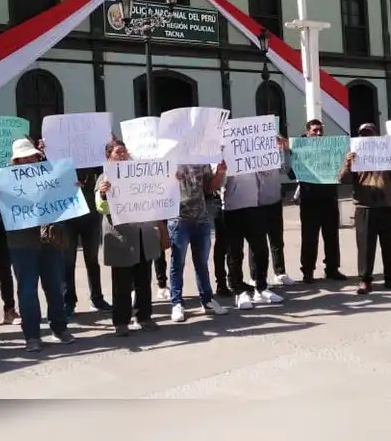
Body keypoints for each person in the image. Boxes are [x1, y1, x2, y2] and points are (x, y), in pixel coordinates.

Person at [0, 138, 76, 352]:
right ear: (16, 161)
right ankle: (32, 335)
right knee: (27, 290)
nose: (30, 160)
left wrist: (72, 190)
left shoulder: (50, 174)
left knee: (55, 286)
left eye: (33, 156)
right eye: (25, 158)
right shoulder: (4, 181)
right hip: (22, 243)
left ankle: (59, 328)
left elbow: (65, 203)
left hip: (50, 240)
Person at [94, 139, 165, 336]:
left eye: (124, 151)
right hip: (121, 239)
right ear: (109, 156)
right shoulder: (104, 177)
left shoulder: (139, 173)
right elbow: (101, 208)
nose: (123, 155)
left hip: (143, 236)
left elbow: (156, 192)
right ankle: (121, 322)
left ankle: (144, 316)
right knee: (122, 284)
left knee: (143, 281)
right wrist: (104, 194)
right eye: (118, 152)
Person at [338, 122, 391, 295]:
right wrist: (348, 164)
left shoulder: (389, 153)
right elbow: (343, 179)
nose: (367, 137)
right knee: (365, 247)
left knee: (389, 246)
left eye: (370, 134)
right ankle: (365, 280)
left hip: (385, 207)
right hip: (364, 208)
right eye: (363, 135)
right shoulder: (354, 155)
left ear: (376, 136)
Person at [167, 161, 229, 322]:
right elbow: (157, 187)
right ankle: (177, 303)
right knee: (177, 263)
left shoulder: (201, 157)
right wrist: (170, 180)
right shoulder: (169, 158)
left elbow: (209, 188)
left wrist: (219, 173)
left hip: (201, 218)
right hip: (178, 218)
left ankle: (207, 300)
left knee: (202, 262)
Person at [221, 169, 284, 310]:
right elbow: (217, 183)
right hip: (232, 208)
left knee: (261, 250)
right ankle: (239, 291)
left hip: (255, 205)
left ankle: (261, 288)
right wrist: (221, 172)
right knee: (235, 252)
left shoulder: (255, 154)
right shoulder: (222, 155)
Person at [295, 119, 346, 283]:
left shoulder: (329, 147)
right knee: (309, 237)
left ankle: (332, 268)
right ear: (307, 132)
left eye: (320, 131)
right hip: (309, 200)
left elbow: (338, 167)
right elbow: (291, 173)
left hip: (329, 198)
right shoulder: (300, 149)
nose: (318, 134)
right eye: (315, 130)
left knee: (331, 236)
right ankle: (307, 271)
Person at [62, 167, 111, 318]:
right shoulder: (58, 156)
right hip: (67, 214)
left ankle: (97, 298)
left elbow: (105, 169)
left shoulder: (92, 158)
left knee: (92, 259)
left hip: (91, 213)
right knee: (67, 261)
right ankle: (68, 301)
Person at [259, 136, 292, 286]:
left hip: (275, 201)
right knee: (258, 244)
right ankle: (259, 277)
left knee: (277, 240)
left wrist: (284, 150)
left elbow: (285, 169)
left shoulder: (274, 154)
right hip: (257, 203)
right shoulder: (252, 154)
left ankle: (280, 272)